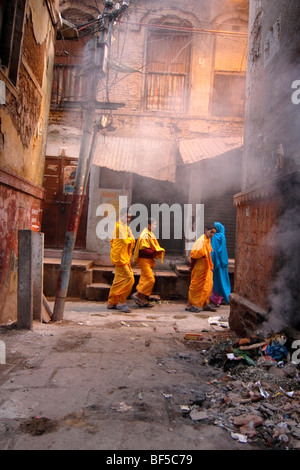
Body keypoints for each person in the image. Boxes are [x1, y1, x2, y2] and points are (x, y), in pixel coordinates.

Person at [131, 218, 165, 307]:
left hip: (148, 261)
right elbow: (144, 250)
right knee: (150, 279)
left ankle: (143, 300)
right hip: (144, 260)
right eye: (154, 224)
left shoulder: (149, 234)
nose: (155, 226)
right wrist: (155, 252)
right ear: (149, 225)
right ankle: (137, 295)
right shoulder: (144, 235)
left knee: (145, 279)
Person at [107, 208, 135, 313]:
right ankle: (121, 301)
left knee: (118, 280)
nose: (128, 219)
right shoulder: (118, 227)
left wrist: (130, 238)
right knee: (129, 278)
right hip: (120, 257)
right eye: (126, 217)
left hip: (124, 256)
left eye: (129, 217)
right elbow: (124, 241)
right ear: (121, 216)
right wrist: (131, 238)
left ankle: (111, 302)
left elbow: (130, 239)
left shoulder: (126, 227)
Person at [186, 224, 217, 313]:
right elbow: (193, 255)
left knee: (207, 285)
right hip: (200, 267)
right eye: (211, 232)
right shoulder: (201, 241)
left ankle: (205, 304)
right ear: (206, 230)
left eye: (213, 233)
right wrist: (191, 267)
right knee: (196, 287)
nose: (212, 235)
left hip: (206, 267)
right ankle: (189, 305)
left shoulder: (207, 240)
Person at [210, 222, 231, 307]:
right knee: (223, 281)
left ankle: (214, 300)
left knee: (215, 282)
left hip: (216, 263)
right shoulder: (222, 236)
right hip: (222, 264)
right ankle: (220, 300)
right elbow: (223, 251)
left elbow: (213, 250)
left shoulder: (216, 237)